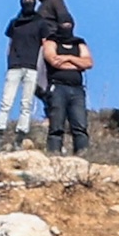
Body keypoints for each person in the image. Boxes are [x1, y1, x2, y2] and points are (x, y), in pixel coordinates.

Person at [0, 0, 45, 151]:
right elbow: (9, 44)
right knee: (6, 102)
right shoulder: (15, 23)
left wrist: (41, 69)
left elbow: (44, 45)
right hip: (14, 66)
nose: (27, 2)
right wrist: (9, 61)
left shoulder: (40, 23)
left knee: (26, 104)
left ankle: (19, 138)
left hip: (31, 67)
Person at [40, 19, 93, 154]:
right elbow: (54, 61)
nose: (66, 26)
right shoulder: (51, 42)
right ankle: (54, 154)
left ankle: (83, 155)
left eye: (69, 24)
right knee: (56, 125)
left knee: (80, 125)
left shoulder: (79, 43)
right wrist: (77, 64)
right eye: (64, 24)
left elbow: (88, 63)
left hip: (77, 89)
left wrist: (68, 58)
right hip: (58, 87)